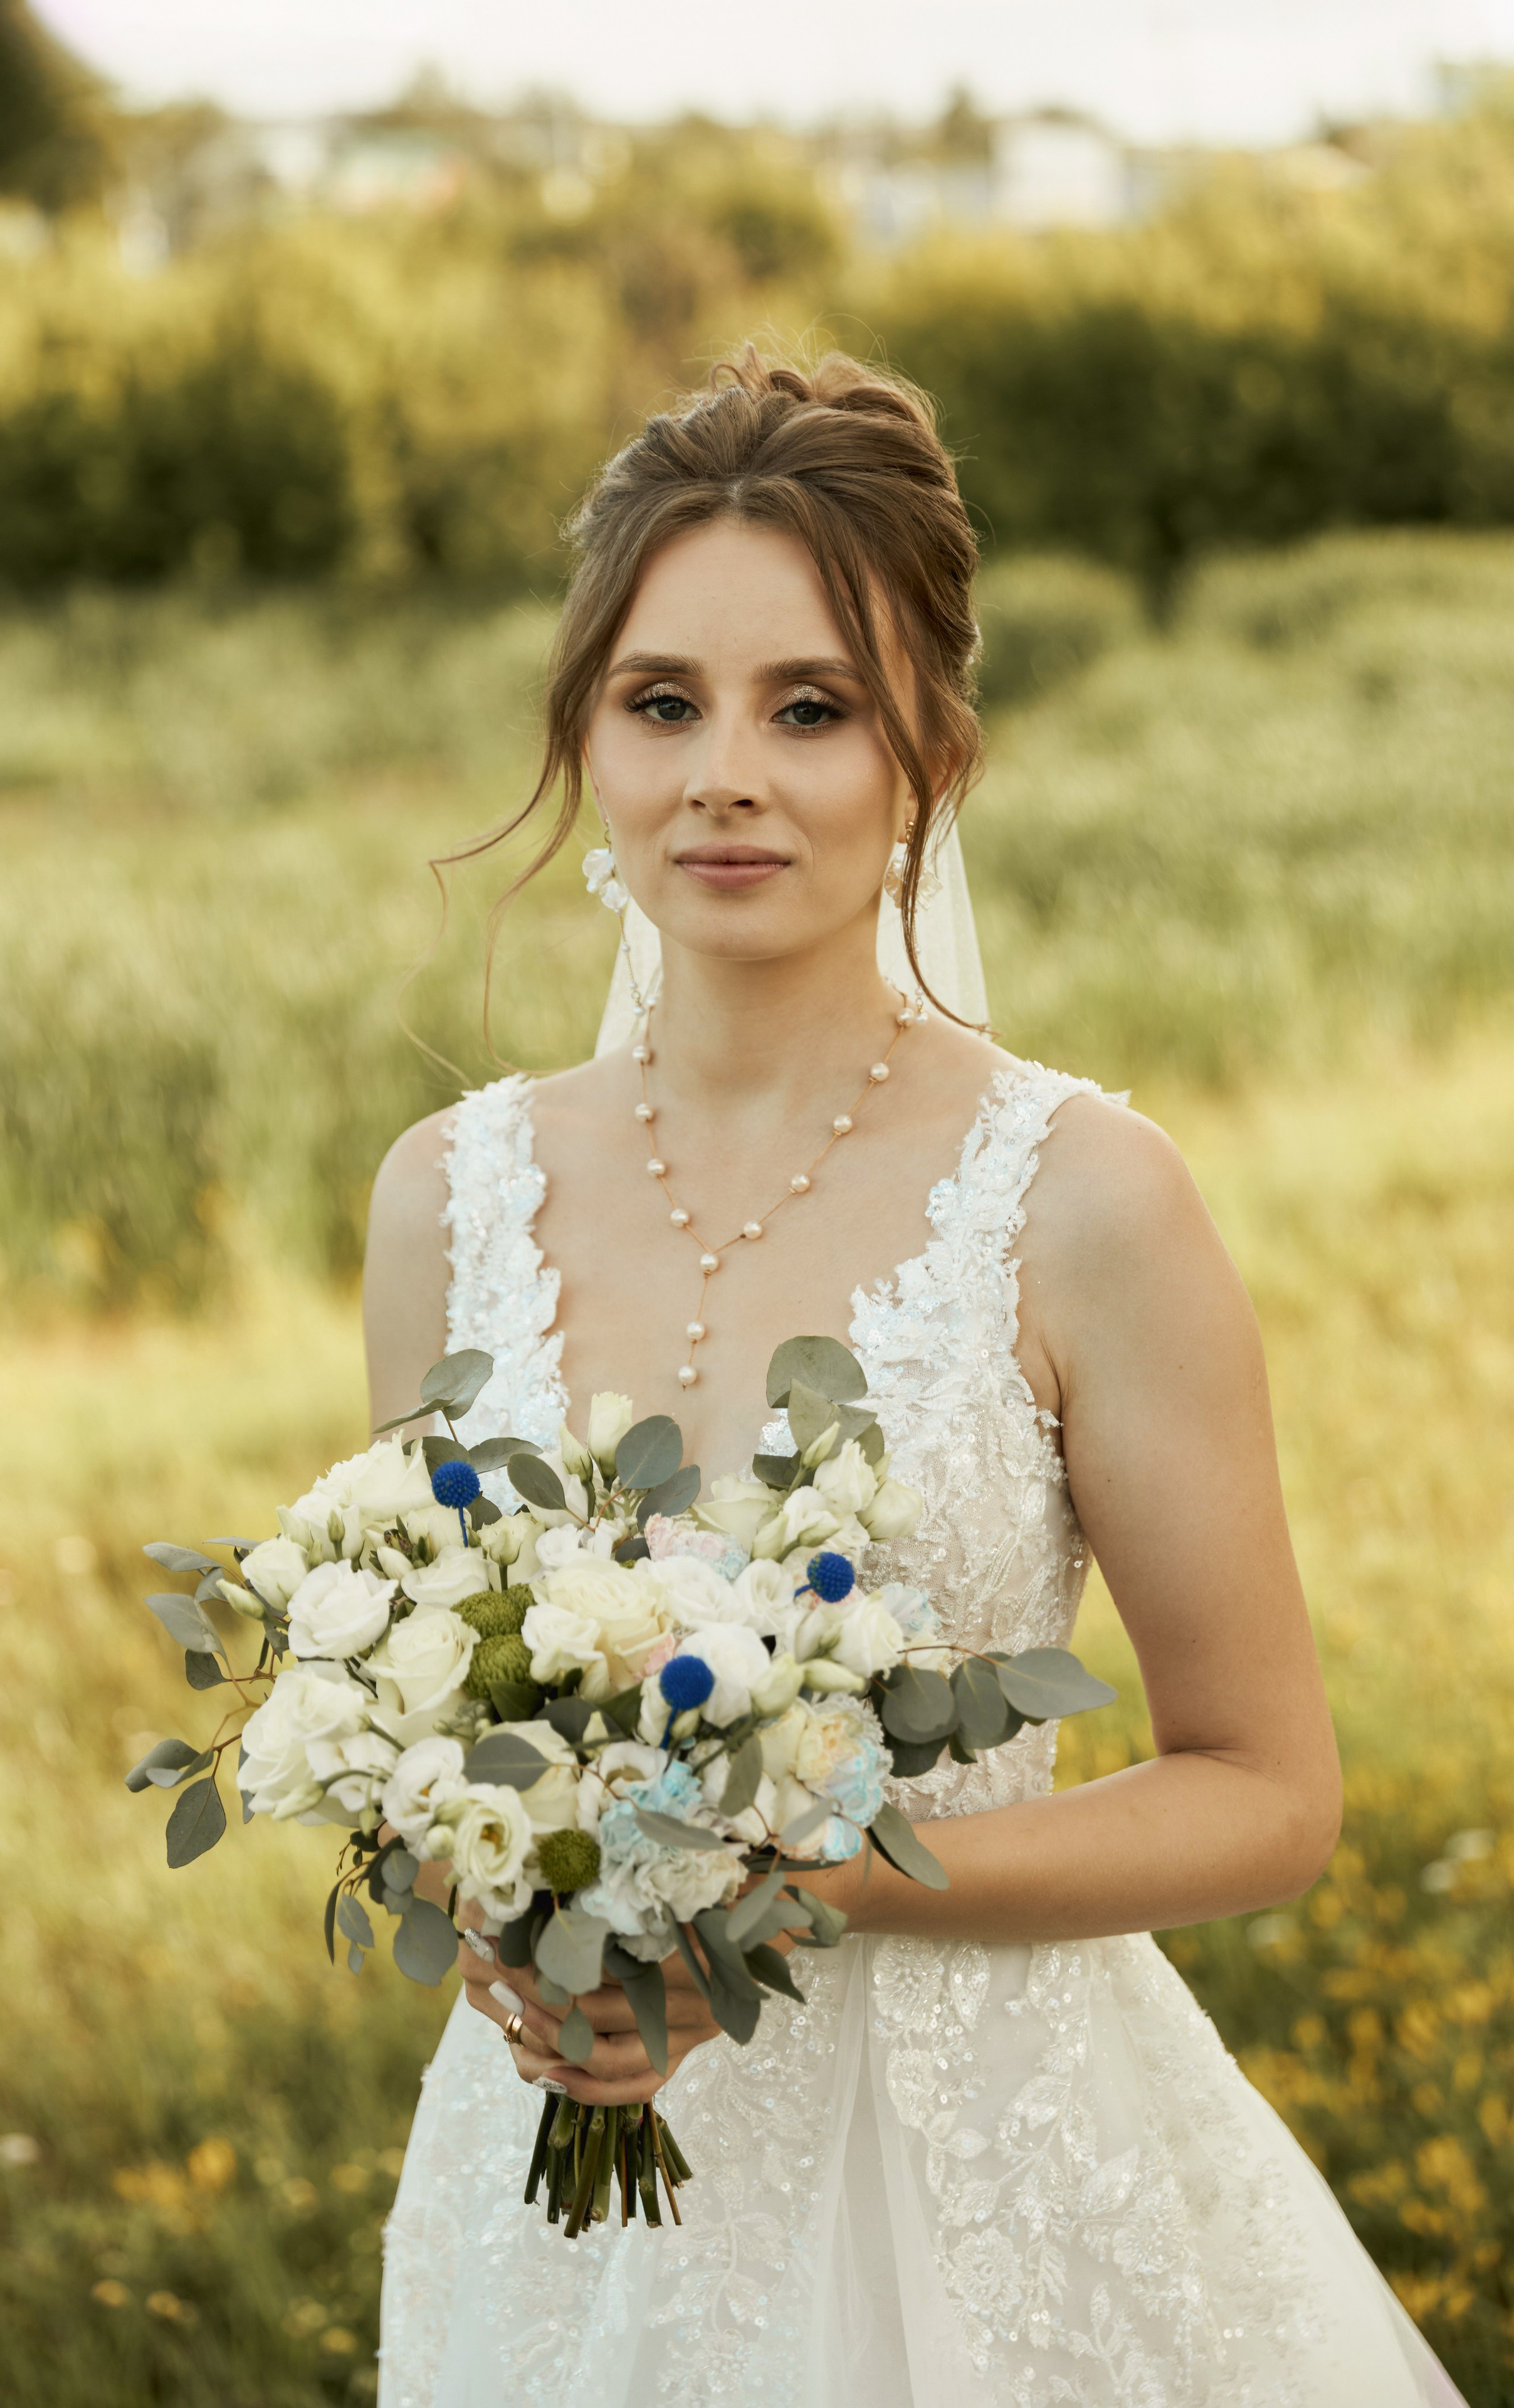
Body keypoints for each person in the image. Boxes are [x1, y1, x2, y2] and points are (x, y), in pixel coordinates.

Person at [363, 350, 1464, 2405]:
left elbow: (1267, 1792)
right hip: (557, 2221)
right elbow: (426, 1711)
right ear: (585, 736)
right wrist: (514, 1913)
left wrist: (818, 1887)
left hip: (980, 2191)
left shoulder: (1084, 1202)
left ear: (930, 747)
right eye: (662, 701)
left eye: (813, 708)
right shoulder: (447, 1197)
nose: (727, 775)